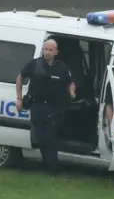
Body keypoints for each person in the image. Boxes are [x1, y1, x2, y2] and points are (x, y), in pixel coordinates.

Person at [16, 39, 75, 175]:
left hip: (55, 108)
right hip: (38, 106)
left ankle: (52, 168)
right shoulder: (35, 64)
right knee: (40, 137)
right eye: (45, 49)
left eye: (50, 50)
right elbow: (20, 77)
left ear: (56, 52)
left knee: (50, 137)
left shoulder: (62, 68)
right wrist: (19, 98)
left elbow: (70, 82)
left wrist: (72, 91)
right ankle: (48, 163)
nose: (47, 52)